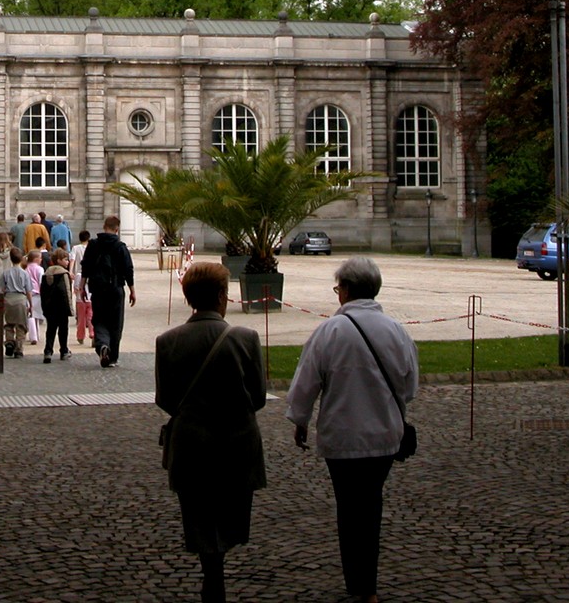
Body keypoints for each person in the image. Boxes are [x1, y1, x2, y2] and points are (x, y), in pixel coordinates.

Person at [286, 256, 418, 603]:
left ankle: (358, 583)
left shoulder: (329, 331)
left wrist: (300, 419)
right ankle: (366, 585)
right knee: (370, 505)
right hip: (384, 436)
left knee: (349, 509)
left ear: (344, 291)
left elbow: (306, 383)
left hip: (342, 438)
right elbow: (410, 385)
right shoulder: (396, 330)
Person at [156, 263, 266, 603]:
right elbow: (258, 397)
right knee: (231, 513)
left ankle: (212, 572)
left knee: (200, 515)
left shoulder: (167, 341)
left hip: (191, 443)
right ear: (221, 296)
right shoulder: (245, 338)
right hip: (237, 441)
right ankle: (216, 569)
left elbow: (166, 399)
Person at [82, 215, 135, 367]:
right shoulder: (120, 247)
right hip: (116, 288)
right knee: (115, 323)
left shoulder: (93, 245)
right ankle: (113, 357)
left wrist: (82, 286)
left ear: (104, 227)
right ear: (117, 229)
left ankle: (102, 345)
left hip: (98, 289)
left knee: (99, 319)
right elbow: (128, 269)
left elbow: (86, 266)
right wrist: (132, 290)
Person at [0, 247, 32, 357]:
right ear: (22, 258)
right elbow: (28, 290)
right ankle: (19, 348)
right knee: (21, 325)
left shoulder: (6, 273)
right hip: (20, 299)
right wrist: (30, 304)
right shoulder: (25, 273)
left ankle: (9, 342)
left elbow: (0, 289)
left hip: (9, 298)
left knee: (9, 324)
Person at [40, 248, 74, 362]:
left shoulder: (46, 273)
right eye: (65, 259)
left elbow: (43, 293)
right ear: (58, 260)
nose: (68, 262)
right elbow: (66, 292)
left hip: (50, 307)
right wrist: (69, 309)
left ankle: (48, 351)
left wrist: (44, 307)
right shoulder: (64, 274)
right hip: (61, 307)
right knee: (63, 329)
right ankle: (63, 350)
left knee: (50, 329)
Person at [71, 229, 94, 345]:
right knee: (91, 317)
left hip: (81, 298)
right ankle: (92, 332)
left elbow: (72, 260)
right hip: (91, 297)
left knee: (81, 318)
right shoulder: (92, 249)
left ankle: (80, 336)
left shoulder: (76, 248)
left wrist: (71, 271)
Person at [26, 247, 44, 345]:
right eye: (40, 258)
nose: (41, 260)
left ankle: (33, 336)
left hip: (28, 292)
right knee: (36, 315)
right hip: (37, 293)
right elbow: (41, 281)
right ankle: (36, 334)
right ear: (36, 259)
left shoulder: (26, 268)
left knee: (30, 314)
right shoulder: (39, 269)